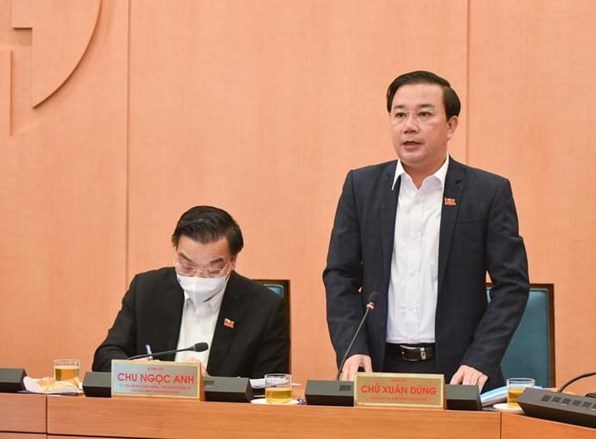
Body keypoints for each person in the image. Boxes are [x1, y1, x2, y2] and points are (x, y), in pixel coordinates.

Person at [323, 70, 529, 391]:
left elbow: (512, 286)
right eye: (400, 114)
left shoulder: (487, 192)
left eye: (424, 114)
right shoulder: (361, 187)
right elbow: (339, 276)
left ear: (451, 126)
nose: (409, 126)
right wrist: (353, 346)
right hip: (377, 368)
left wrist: (481, 358)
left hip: (459, 370)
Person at [93, 205, 289, 378]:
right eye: (187, 266)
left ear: (233, 261)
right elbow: (106, 357)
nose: (198, 277)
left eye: (212, 269)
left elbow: (271, 385)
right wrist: (136, 371)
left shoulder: (265, 308)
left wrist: (210, 385)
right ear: (175, 252)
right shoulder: (146, 290)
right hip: (152, 412)